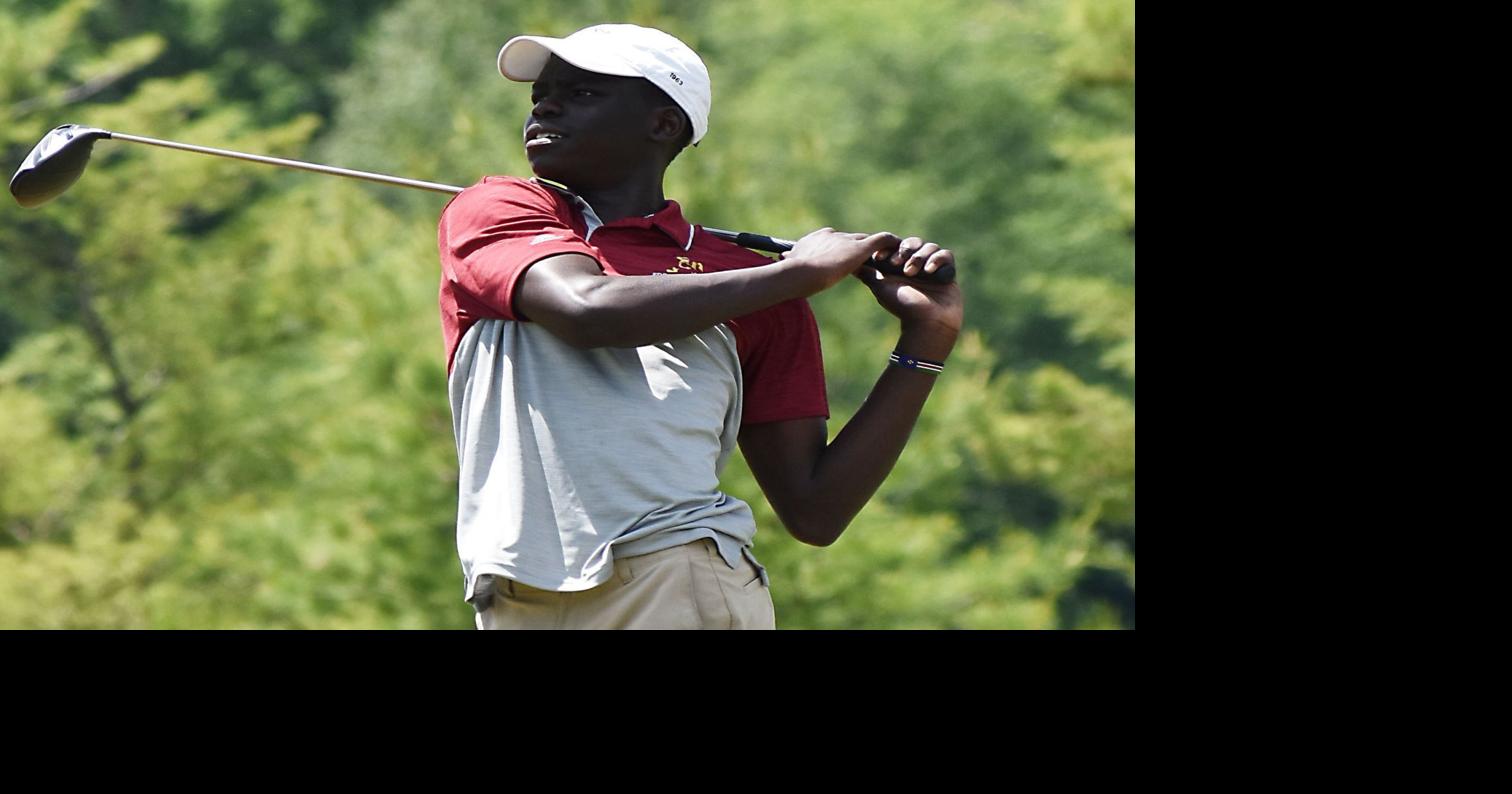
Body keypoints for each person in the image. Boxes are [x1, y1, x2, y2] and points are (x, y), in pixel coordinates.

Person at [437, 23, 962, 629]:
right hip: (517, 597)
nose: (546, 105)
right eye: (541, 96)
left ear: (663, 124)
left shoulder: (749, 280)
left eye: (582, 94)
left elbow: (815, 512)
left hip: (677, 575)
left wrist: (928, 338)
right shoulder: (501, 207)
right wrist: (796, 275)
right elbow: (583, 309)